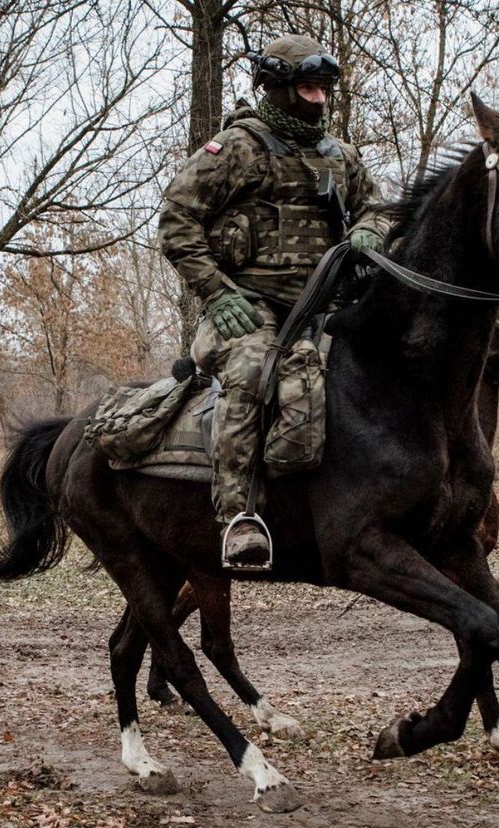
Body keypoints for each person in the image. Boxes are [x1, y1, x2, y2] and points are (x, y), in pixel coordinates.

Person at [158, 34, 388, 569]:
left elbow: (378, 208)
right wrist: (216, 292)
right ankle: (238, 518)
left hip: (324, 306)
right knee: (253, 373)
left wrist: (371, 231)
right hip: (247, 306)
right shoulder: (238, 148)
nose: (318, 96)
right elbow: (176, 219)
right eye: (306, 85)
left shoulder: (341, 155)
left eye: (323, 86)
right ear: (278, 87)